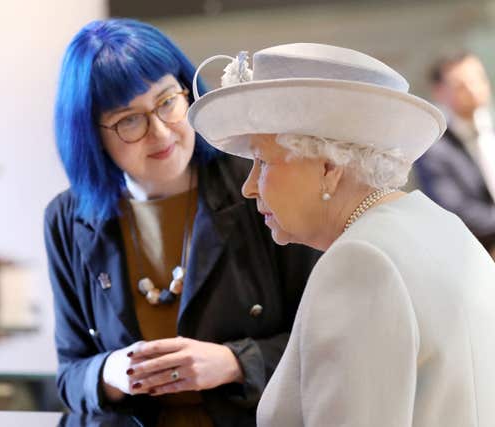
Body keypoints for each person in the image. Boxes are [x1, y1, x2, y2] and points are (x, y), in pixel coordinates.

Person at [188, 43, 495, 426]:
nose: (249, 187)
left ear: (328, 168)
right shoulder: (440, 225)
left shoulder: (359, 263)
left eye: (262, 161)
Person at [44, 19, 319, 426]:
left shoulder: (260, 184)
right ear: (91, 136)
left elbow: (323, 347)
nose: (161, 132)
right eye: (129, 120)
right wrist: (110, 372)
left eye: (167, 101)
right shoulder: (67, 218)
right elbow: (69, 375)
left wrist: (233, 362)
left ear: (189, 92)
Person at [416, 51, 495, 255]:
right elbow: (453, 208)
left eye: (477, 79)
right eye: (461, 85)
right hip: (478, 252)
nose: (472, 89)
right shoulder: (433, 148)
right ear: (439, 93)